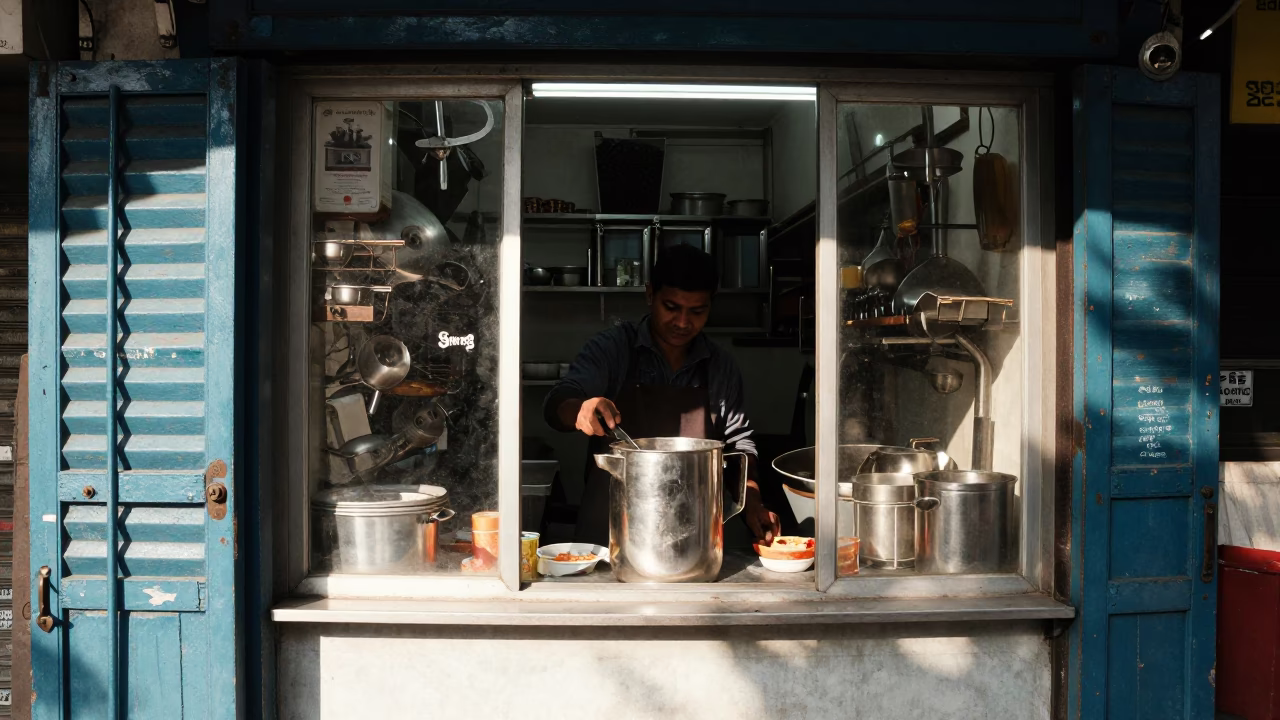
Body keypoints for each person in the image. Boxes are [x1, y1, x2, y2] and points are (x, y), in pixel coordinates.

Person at [544, 243, 781, 547]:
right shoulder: (613, 349)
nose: (683, 322)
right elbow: (557, 402)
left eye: (697, 311)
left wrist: (753, 503)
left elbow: (739, 446)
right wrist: (580, 409)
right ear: (649, 294)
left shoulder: (721, 367)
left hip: (693, 539)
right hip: (611, 536)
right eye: (671, 307)